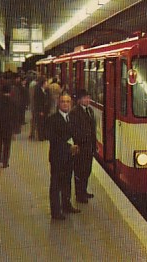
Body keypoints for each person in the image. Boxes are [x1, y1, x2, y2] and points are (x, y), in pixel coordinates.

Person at [47, 92, 81, 220]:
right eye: (63, 101)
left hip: (69, 157)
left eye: (67, 101)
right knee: (56, 185)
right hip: (57, 158)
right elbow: (53, 138)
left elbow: (75, 134)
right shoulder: (53, 119)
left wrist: (76, 146)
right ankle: (55, 212)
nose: (65, 104)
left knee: (67, 182)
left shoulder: (72, 118)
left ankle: (67, 205)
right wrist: (69, 147)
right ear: (58, 103)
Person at [70, 89, 97, 203]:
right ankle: (79, 194)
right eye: (85, 98)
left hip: (89, 147)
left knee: (87, 170)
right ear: (80, 100)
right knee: (80, 171)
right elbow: (75, 131)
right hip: (81, 147)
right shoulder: (75, 112)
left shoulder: (90, 110)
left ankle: (84, 191)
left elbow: (93, 130)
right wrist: (80, 142)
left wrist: (94, 145)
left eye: (88, 97)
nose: (88, 100)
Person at [0, 84, 21, 168]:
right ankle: (5, 162)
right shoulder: (13, 102)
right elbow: (16, 116)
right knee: (7, 145)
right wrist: (15, 129)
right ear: (10, 91)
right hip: (8, 126)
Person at [33, 76, 51, 140]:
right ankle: (41, 136)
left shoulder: (47, 90)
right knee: (40, 123)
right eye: (46, 82)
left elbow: (49, 99)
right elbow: (37, 101)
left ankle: (45, 135)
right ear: (43, 83)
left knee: (45, 123)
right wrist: (40, 111)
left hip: (46, 109)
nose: (47, 84)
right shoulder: (37, 90)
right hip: (40, 110)